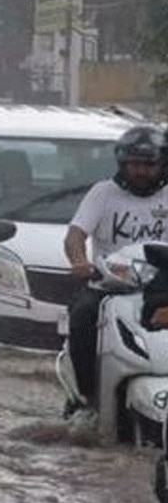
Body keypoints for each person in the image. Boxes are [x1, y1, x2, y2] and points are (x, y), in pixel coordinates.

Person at [63, 125, 168, 417]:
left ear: (162, 164)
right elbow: (75, 235)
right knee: (82, 316)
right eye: (134, 164)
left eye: (149, 164)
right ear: (123, 164)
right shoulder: (103, 193)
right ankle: (88, 398)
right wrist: (79, 262)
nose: (141, 171)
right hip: (109, 285)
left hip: (161, 286)